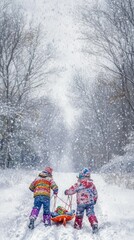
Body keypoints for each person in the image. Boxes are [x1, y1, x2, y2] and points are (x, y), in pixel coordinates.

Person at [64, 167, 98, 233]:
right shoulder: (92, 184)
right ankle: (94, 223)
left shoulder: (78, 184)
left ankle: (77, 225)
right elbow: (95, 193)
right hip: (90, 202)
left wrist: (67, 192)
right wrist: (95, 199)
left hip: (81, 203)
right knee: (90, 214)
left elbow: (72, 190)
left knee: (79, 214)